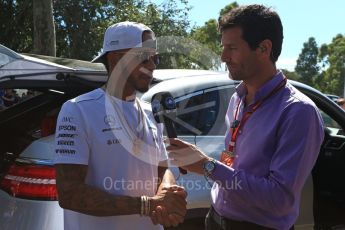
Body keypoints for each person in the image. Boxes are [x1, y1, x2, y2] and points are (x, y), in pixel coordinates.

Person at [167, 5, 324, 230]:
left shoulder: (298, 112)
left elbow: (279, 199)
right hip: (215, 219)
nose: (223, 57)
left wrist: (207, 166)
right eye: (223, 47)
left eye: (232, 48)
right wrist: (206, 165)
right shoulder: (238, 99)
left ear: (264, 48)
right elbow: (234, 162)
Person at [54, 21, 187, 230]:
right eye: (145, 57)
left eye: (155, 58)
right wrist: (147, 204)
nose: (152, 65)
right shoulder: (77, 110)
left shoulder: (150, 112)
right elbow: (69, 193)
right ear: (116, 59)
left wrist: (167, 196)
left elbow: (162, 170)